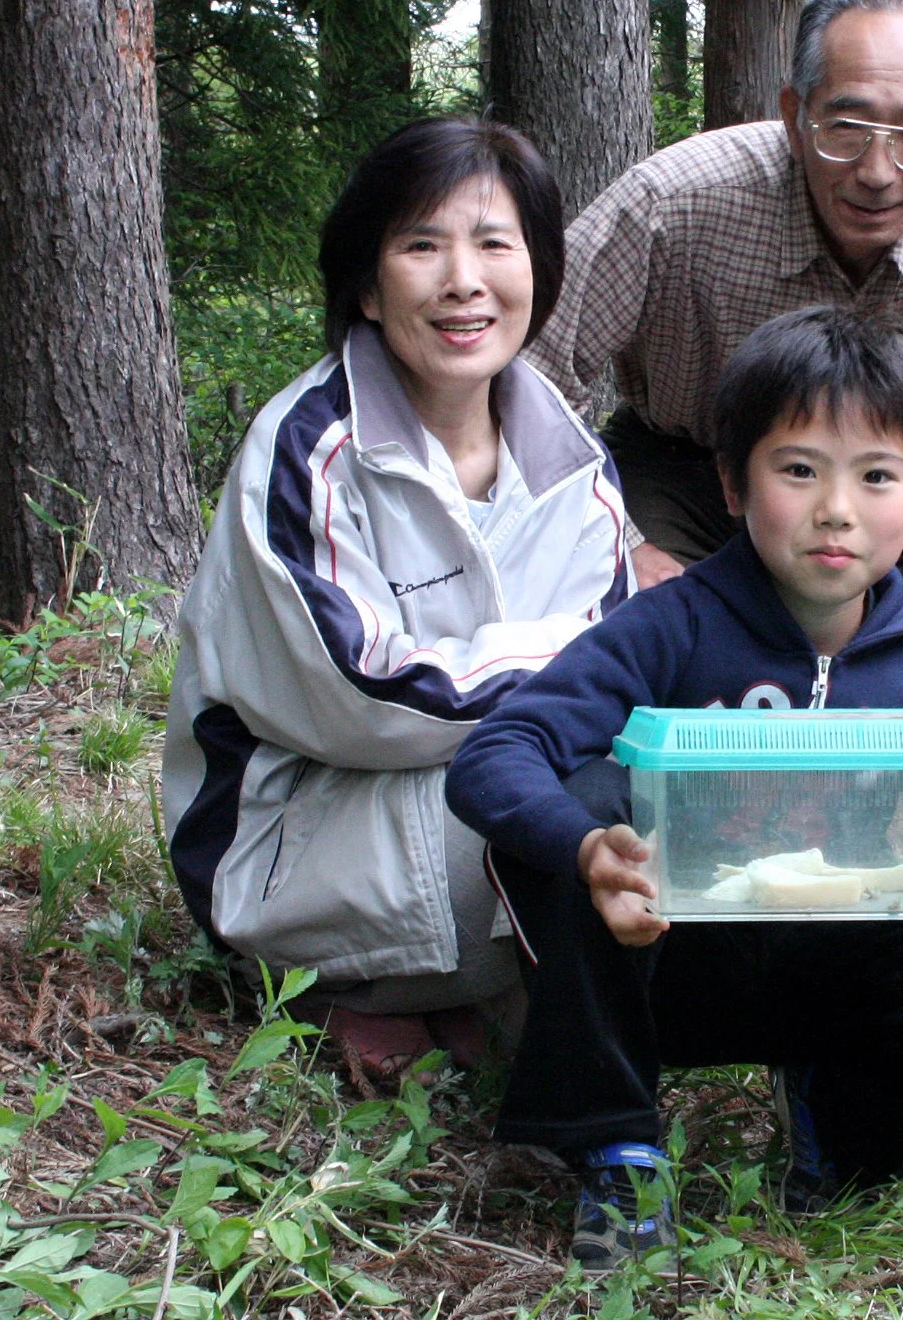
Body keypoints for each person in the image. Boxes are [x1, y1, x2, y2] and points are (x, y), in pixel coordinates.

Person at [450, 306, 903, 1269]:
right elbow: (498, 752)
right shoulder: (674, 624)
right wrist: (585, 849)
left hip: (841, 973)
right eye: (798, 469)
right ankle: (617, 1144)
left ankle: (846, 1125)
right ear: (734, 484)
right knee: (589, 799)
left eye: (875, 475)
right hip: (667, 966)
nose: (837, 509)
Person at [161, 118, 631, 1083]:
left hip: (454, 800)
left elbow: (618, 672)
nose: (464, 279)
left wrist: (585, 685)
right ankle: (354, 984)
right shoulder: (307, 448)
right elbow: (363, 698)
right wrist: (568, 667)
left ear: (537, 269)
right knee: (580, 817)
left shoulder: (571, 461)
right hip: (298, 825)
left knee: (638, 801)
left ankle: (464, 992)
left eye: (495, 243)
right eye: (422, 245)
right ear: (368, 286)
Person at [526, 0, 903, 623]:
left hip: (880, 473)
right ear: (793, 115)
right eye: (844, 128)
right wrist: (622, 543)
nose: (875, 172)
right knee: (647, 633)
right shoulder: (674, 203)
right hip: (683, 470)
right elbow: (533, 369)